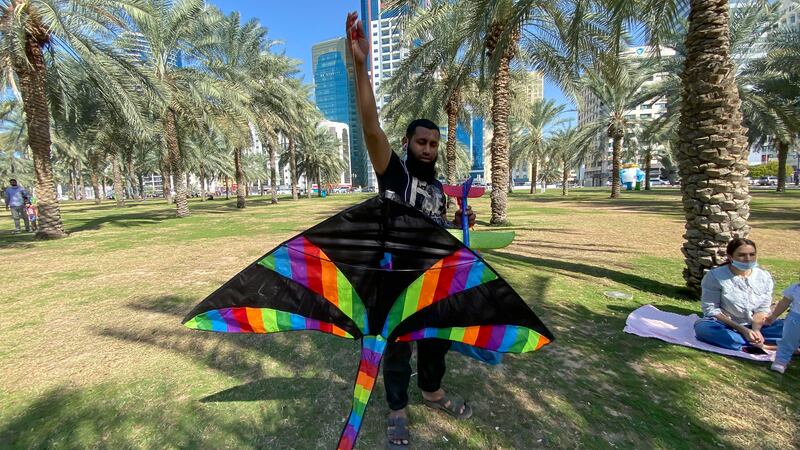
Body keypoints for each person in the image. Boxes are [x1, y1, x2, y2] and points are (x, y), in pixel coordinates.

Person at [346, 12, 476, 449]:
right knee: (398, 348)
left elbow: (437, 225)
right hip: (396, 281)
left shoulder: (437, 188)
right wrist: (360, 67)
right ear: (408, 144)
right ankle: (398, 409)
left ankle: (433, 391)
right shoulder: (396, 175)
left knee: (438, 342)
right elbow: (369, 128)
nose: (428, 149)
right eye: (421, 142)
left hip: (435, 281)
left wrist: (461, 222)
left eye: (434, 144)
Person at [694, 238, 784, 352]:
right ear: (730, 257)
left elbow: (762, 309)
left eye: (752, 254)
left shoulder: (764, 277)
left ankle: (751, 343)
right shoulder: (715, 276)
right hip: (726, 325)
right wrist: (743, 330)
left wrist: (756, 330)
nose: (748, 259)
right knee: (703, 329)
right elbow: (711, 309)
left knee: (793, 326)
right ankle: (765, 346)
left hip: (759, 326)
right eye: (742, 255)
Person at [765, 282, 800, 373]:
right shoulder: (795, 288)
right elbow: (784, 302)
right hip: (795, 319)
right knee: (788, 340)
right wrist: (774, 315)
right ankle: (781, 361)